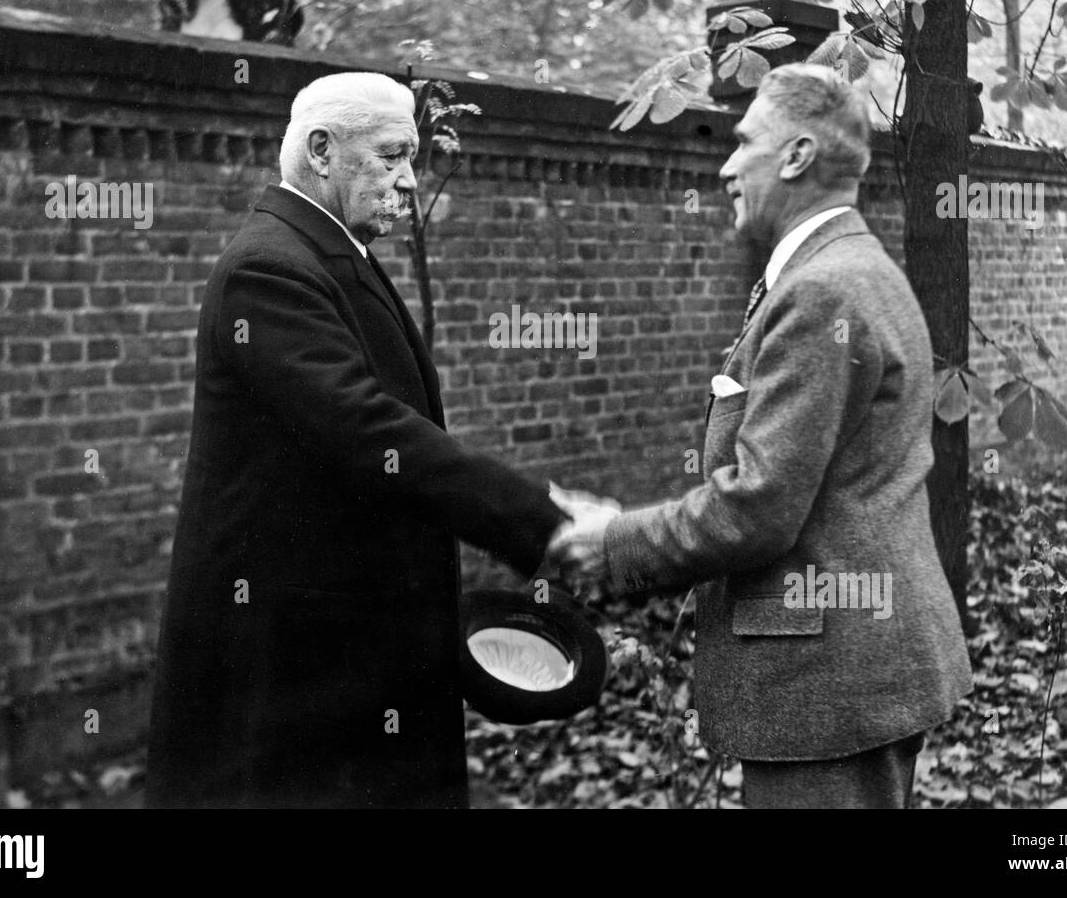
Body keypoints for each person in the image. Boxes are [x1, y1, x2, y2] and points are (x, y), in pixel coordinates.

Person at [551, 64, 973, 809]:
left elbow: (758, 508)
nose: (725, 165)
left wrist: (611, 539)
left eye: (744, 141)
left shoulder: (821, 291)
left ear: (798, 155)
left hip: (831, 685)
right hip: (850, 669)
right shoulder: (852, 270)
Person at [146, 72, 567, 808]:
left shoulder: (323, 249)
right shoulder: (269, 269)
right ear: (321, 150)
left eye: (412, 159)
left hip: (343, 646)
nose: (410, 180)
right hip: (296, 661)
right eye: (393, 156)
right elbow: (367, 429)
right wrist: (541, 517)